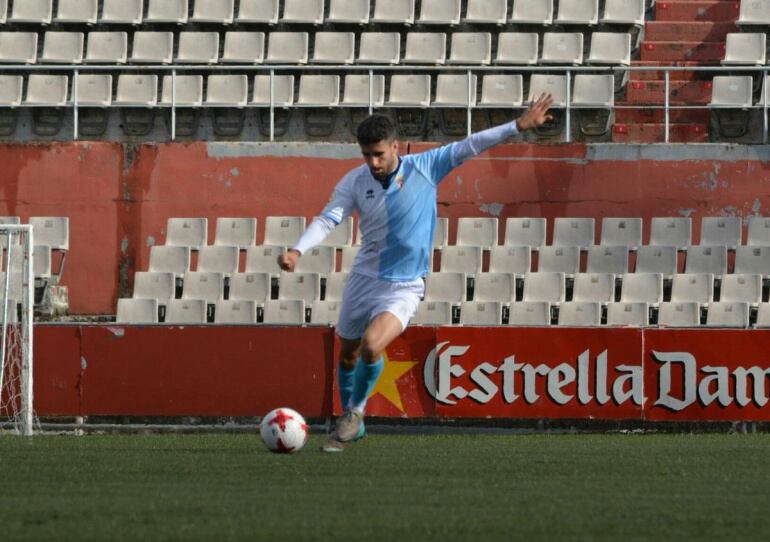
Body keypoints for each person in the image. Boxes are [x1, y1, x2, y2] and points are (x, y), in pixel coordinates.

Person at [278, 95, 554, 452]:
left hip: (405, 284)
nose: (373, 162)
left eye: (379, 154)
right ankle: (349, 414)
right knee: (347, 353)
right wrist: (298, 249)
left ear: (395, 146)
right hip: (365, 279)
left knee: (373, 345)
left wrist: (517, 126)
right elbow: (329, 218)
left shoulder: (426, 166)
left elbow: (470, 145)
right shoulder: (354, 181)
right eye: (367, 155)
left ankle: (355, 414)